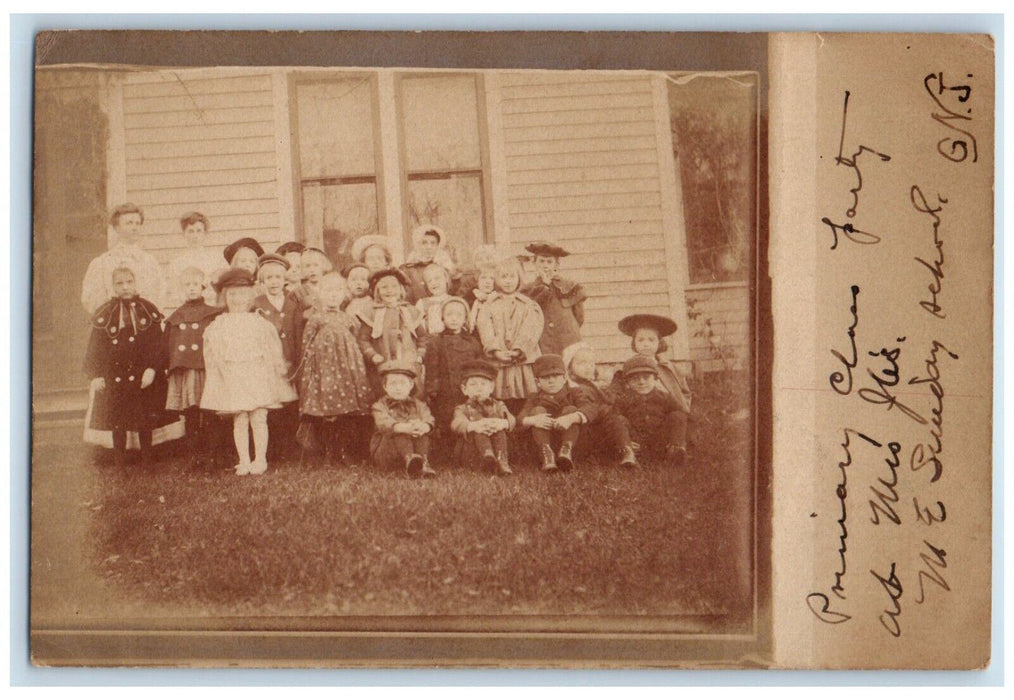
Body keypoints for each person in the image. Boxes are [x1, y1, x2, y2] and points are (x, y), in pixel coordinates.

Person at [201, 268, 297, 475]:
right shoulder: (220, 324)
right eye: (232, 294)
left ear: (250, 296)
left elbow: (271, 348)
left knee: (259, 415)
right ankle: (244, 460)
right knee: (241, 417)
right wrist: (221, 373)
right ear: (225, 297)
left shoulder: (258, 322)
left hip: (256, 372)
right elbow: (213, 352)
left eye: (242, 293)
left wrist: (275, 368)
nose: (237, 299)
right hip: (233, 373)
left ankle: (260, 459)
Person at [84, 266, 172, 466]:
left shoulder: (147, 309)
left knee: (144, 417)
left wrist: (152, 369)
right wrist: (96, 374)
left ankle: (148, 459)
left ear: (136, 283)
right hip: (115, 374)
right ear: (113, 286)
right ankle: (120, 461)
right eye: (120, 283)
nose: (125, 287)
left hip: (142, 374)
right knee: (118, 419)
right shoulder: (105, 312)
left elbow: (158, 345)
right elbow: (95, 347)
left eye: (129, 282)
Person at [298, 272, 374, 464]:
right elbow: (306, 346)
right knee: (328, 412)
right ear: (321, 294)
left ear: (344, 294)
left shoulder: (348, 318)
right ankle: (328, 452)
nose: (333, 295)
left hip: (346, 372)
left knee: (346, 412)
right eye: (328, 291)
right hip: (324, 372)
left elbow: (355, 339)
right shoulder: (316, 319)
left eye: (337, 291)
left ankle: (344, 451)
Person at [163, 266, 225, 469]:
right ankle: (194, 455)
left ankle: (213, 454)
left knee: (209, 411)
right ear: (181, 289)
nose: (191, 289)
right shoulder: (176, 317)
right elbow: (168, 345)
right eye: (187, 285)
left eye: (195, 285)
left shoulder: (212, 314)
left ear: (203, 287)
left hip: (206, 368)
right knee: (190, 412)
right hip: (186, 370)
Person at [251, 253, 303, 461]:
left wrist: (296, 361)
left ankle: (289, 447)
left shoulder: (292, 303)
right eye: (269, 278)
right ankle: (271, 449)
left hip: (288, 359)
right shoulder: (257, 304)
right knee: (269, 402)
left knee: (289, 402)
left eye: (278, 278)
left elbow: (298, 332)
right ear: (262, 282)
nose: (274, 282)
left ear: (285, 280)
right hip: (266, 362)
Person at [475, 255, 544, 414]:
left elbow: (532, 328)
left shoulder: (528, 305)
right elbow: (485, 328)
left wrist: (519, 349)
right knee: (500, 399)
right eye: (503, 277)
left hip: (523, 362)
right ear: (496, 279)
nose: (508, 281)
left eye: (512, 276)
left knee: (527, 398)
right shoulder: (489, 305)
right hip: (499, 362)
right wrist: (496, 350)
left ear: (519, 278)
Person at [562, 341, 638, 468]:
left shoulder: (590, 384)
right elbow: (591, 408)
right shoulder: (575, 388)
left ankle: (626, 447)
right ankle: (625, 448)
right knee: (614, 419)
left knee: (618, 419)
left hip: (598, 425)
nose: (588, 367)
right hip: (586, 430)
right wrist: (607, 409)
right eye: (582, 363)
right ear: (569, 367)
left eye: (591, 363)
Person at [423, 296, 483, 452]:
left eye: (459, 315)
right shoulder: (436, 341)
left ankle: (467, 448)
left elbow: (478, 366)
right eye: (449, 315)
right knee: (445, 418)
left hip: (467, 389)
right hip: (445, 389)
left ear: (465, 319)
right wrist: (432, 389)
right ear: (442, 317)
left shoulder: (472, 342)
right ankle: (446, 451)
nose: (454, 319)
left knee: (467, 415)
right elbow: (432, 366)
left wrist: (477, 387)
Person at [81, 203, 165, 314]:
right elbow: (90, 299)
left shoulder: (149, 262)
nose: (135, 227)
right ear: (116, 228)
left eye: (137, 223)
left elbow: (159, 295)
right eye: (129, 223)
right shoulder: (102, 263)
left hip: (144, 325)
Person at [355, 267, 426, 397]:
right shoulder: (372, 312)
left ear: (401, 290)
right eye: (384, 287)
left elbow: (422, 337)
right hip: (383, 358)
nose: (389, 291)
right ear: (377, 291)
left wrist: (420, 354)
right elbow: (363, 339)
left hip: (408, 359)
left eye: (394, 287)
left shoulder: (410, 311)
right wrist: (372, 355)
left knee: (411, 390)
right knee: (384, 389)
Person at [517, 354, 591, 473]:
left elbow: (590, 408)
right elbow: (520, 418)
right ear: (538, 382)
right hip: (544, 441)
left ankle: (566, 451)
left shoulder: (574, 393)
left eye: (556, 376)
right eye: (545, 377)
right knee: (537, 411)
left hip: (573, 443)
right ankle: (547, 454)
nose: (551, 381)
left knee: (571, 409)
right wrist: (534, 420)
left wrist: (571, 418)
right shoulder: (534, 398)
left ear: (564, 378)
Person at [613, 355, 689, 466]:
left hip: (660, 440)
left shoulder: (664, 397)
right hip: (636, 442)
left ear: (655, 379)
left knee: (677, 415)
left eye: (646, 377)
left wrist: (675, 439)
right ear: (627, 382)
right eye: (635, 378)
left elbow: (681, 415)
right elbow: (614, 421)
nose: (641, 382)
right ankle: (628, 453)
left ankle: (675, 450)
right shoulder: (623, 399)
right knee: (617, 419)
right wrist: (626, 441)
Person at [369, 359, 436, 478]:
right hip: (388, 453)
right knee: (397, 430)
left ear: (410, 385)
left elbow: (429, 419)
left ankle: (423, 463)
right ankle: (409, 459)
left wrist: (423, 427)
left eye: (402, 383)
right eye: (393, 384)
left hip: (417, 450)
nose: (398, 388)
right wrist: (405, 427)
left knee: (422, 432)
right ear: (385, 386)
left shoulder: (420, 405)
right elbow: (384, 423)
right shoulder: (379, 406)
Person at [616, 313, 692, 415]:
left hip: (669, 410)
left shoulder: (668, 367)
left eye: (651, 340)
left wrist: (684, 405)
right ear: (634, 343)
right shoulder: (630, 367)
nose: (646, 344)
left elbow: (684, 391)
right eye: (641, 340)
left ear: (659, 343)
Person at [449, 359, 515, 476]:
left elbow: (511, 419)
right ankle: (487, 457)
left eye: (483, 384)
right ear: (464, 389)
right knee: (479, 426)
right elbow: (456, 423)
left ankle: (502, 461)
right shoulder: (462, 408)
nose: (479, 388)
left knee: (499, 427)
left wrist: (502, 423)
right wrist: (474, 426)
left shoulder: (499, 405)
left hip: (498, 446)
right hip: (472, 450)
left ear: (491, 388)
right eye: (473, 384)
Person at [521, 241, 587, 355]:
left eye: (549, 262)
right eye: (541, 261)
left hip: (567, 341)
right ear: (534, 263)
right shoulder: (527, 290)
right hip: (541, 343)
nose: (545, 265)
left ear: (556, 265)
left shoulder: (570, 287)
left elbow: (579, 317)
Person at [166, 211, 225, 308]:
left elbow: (222, 288)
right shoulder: (177, 263)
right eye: (191, 231)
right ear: (184, 234)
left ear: (205, 233)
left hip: (211, 307)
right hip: (187, 309)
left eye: (198, 231)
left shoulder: (216, 259)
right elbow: (174, 291)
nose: (195, 236)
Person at [400, 225, 456, 303]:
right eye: (424, 243)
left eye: (433, 243)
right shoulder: (407, 269)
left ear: (438, 246)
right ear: (418, 244)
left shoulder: (444, 266)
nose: (429, 247)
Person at [291, 246, 332, 317]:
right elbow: (293, 316)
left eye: (316, 265)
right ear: (302, 268)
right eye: (307, 266)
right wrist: (304, 315)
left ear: (323, 266)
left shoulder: (332, 287)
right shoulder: (297, 293)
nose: (312, 270)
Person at [415, 263, 454, 336]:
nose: (433, 282)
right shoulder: (422, 303)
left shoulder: (453, 301)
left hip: (449, 340)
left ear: (446, 279)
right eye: (429, 281)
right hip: (429, 341)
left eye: (437, 278)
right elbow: (417, 326)